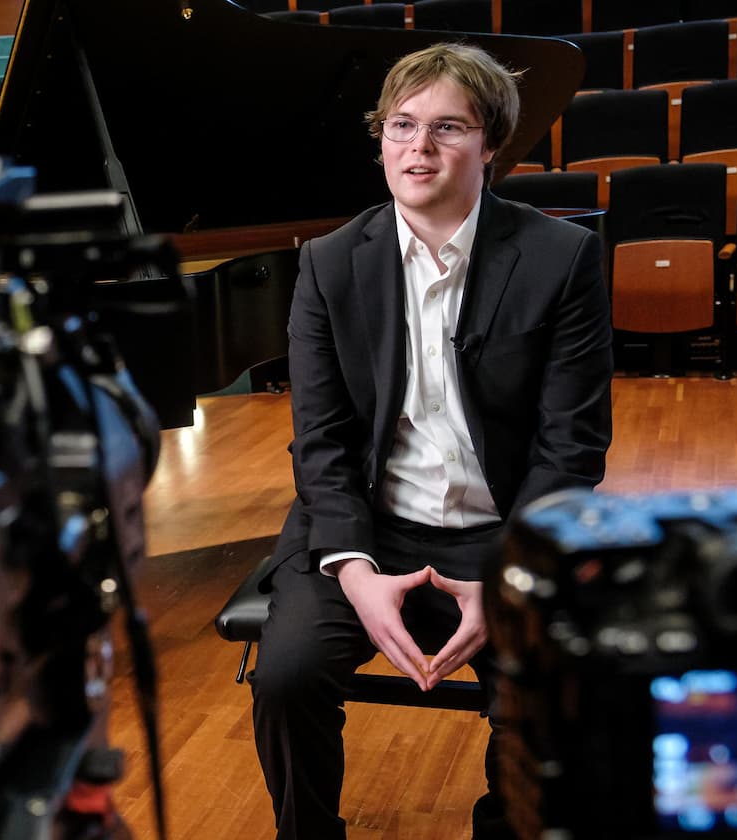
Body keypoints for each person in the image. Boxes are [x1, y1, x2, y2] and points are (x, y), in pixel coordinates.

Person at [249, 42, 614, 840]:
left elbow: (572, 446)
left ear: (491, 145)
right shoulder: (329, 263)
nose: (418, 147)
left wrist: (513, 572)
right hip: (368, 527)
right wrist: (353, 569)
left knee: (547, 693)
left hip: (505, 529)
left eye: (447, 127)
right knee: (285, 676)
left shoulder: (563, 258)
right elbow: (322, 443)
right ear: (380, 138)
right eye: (401, 125)